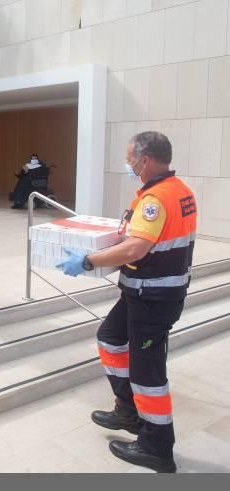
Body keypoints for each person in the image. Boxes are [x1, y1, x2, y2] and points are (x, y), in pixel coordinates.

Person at [57, 131, 196, 473]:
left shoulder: (156, 199)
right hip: (141, 291)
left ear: (145, 160)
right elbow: (138, 238)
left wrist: (89, 260)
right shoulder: (179, 192)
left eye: (130, 158)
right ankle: (129, 410)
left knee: (148, 373)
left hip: (153, 297)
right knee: (110, 339)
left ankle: (156, 447)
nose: (128, 164)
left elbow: (136, 248)